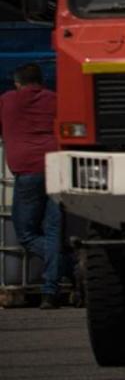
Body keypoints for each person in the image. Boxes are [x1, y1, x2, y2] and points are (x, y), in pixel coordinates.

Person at [1, 63, 65, 307]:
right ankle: (50, 291)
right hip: (57, 170)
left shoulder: (8, 100)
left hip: (27, 171)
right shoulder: (56, 99)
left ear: (17, 83)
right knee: (53, 232)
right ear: (42, 81)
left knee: (26, 233)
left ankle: (68, 265)